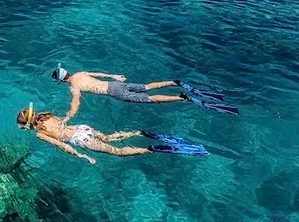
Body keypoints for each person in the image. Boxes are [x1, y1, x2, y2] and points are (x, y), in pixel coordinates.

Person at [15, 103, 208, 164]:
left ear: (27, 124)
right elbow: (64, 123)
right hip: (83, 128)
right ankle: (140, 132)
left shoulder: (39, 133)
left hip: (80, 139)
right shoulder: (47, 116)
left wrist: (82, 155)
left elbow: (62, 145)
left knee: (117, 152)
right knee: (108, 137)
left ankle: (153, 148)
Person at [51, 63, 238, 119]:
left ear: (61, 81)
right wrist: (115, 76)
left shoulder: (73, 86)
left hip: (114, 92)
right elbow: (98, 72)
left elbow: (75, 102)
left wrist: (68, 117)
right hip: (117, 84)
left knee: (150, 99)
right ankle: (174, 81)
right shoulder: (81, 73)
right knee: (147, 86)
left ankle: (181, 98)